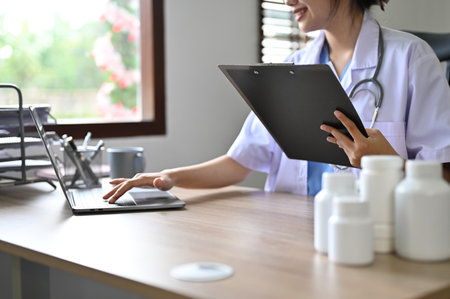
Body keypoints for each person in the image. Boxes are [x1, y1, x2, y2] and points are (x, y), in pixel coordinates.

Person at [104, 0, 450, 203]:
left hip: (368, 234)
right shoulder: (293, 68)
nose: (286, 0)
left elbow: (443, 176)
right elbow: (240, 161)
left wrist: (390, 163)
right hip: (287, 235)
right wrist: (168, 177)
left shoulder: (411, 59)